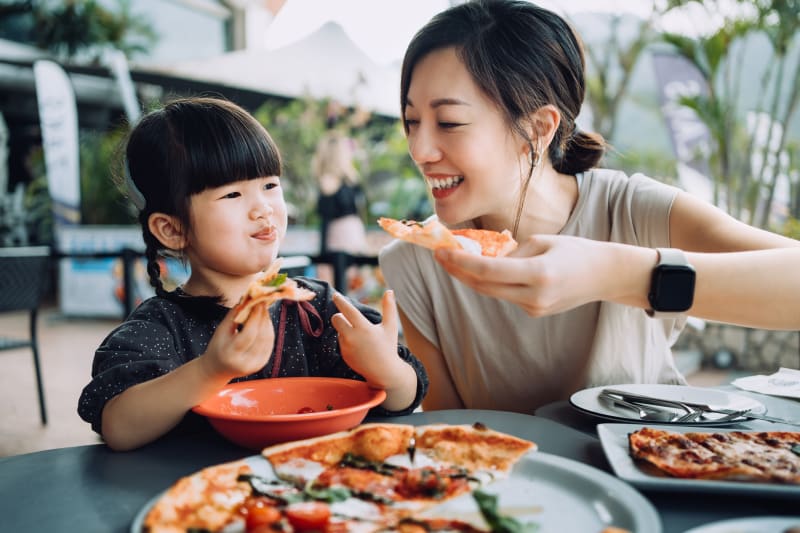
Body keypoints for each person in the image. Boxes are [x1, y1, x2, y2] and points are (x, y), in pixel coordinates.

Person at [378, 0, 800, 414]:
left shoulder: (634, 211)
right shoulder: (416, 259)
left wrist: (616, 274)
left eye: (448, 122)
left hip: (665, 466)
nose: (419, 149)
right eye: (412, 121)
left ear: (538, 129)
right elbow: (453, 435)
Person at [78, 97, 427, 451]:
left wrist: (388, 369)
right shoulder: (161, 327)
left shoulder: (317, 310)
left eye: (270, 185)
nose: (263, 208)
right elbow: (118, 427)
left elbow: (405, 396)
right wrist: (209, 370)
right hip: (206, 499)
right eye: (232, 194)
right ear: (172, 230)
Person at [314, 131, 368, 257]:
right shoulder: (350, 179)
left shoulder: (330, 181)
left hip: (341, 234)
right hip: (353, 231)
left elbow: (326, 217)